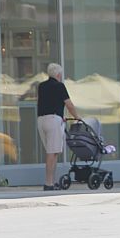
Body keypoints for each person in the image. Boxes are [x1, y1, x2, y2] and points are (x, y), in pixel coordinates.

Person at [37, 63, 81, 191]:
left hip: (41, 120)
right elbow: (69, 104)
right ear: (58, 74)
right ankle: (49, 183)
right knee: (52, 153)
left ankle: (51, 181)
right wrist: (77, 117)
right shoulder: (59, 86)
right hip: (53, 120)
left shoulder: (41, 86)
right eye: (60, 74)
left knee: (51, 152)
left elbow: (46, 102)